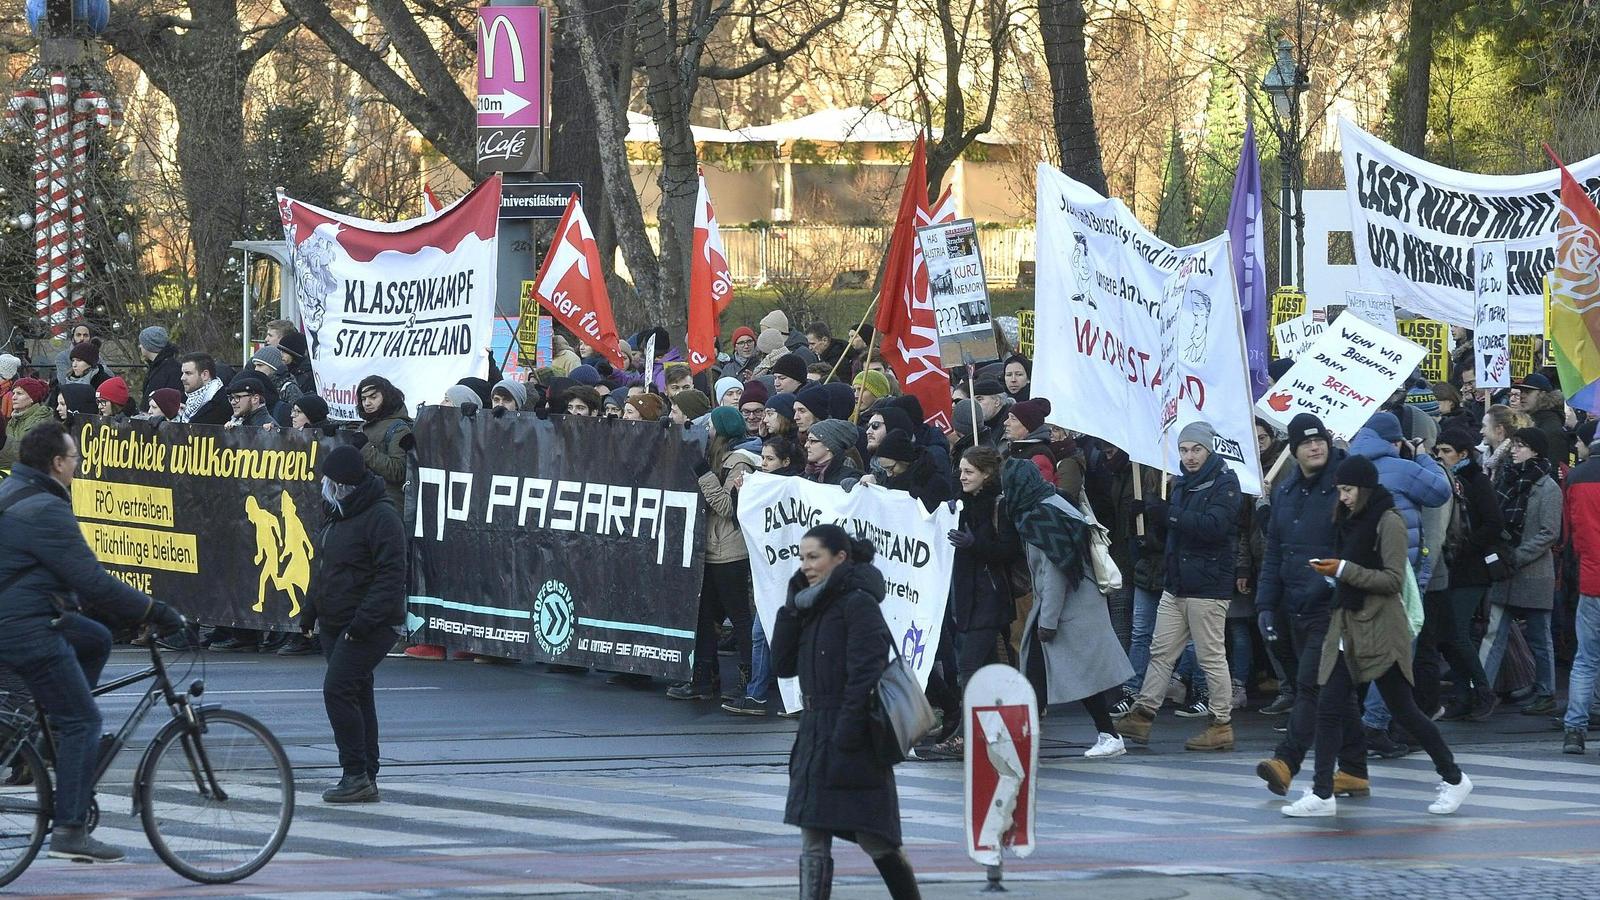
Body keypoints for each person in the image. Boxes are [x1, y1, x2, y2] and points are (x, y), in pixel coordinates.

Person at [0, 424, 186, 861]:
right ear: (57, 463)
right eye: (76, 459)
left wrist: (115, 618)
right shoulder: (45, 508)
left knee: (95, 639)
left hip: (18, 614)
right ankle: (69, 830)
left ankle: (51, 736)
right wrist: (155, 612)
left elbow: (69, 580)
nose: (79, 466)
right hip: (23, 626)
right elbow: (92, 581)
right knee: (83, 720)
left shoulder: (14, 491)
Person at [1281, 454, 1473, 817]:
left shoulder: (1389, 521)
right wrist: (1333, 573)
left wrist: (1344, 569)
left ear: (1366, 488)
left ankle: (1454, 778)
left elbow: (1392, 580)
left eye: (1349, 489)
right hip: (1347, 625)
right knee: (1329, 707)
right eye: (1340, 490)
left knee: (1406, 710)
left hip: (1381, 630)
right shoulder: (1350, 521)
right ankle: (1322, 793)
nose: (1344, 497)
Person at [770, 525, 920, 900]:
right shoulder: (810, 602)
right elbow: (783, 665)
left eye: (814, 557)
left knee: (876, 838)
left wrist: (846, 737)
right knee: (813, 834)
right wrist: (791, 607)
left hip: (851, 736)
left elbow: (864, 677)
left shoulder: (858, 603)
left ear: (840, 558)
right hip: (815, 731)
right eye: (802, 558)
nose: (806, 565)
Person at [1251, 413, 1372, 798]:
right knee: (1336, 691)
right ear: (1295, 450)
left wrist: (1335, 581)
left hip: (1337, 607)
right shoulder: (1285, 491)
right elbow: (1275, 553)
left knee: (1310, 686)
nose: (1314, 447)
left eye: (1318, 440)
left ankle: (1286, 761)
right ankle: (1354, 770)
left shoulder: (1345, 487)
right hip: (1295, 605)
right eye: (1305, 443)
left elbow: (1361, 543)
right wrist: (1265, 603)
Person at [1119, 420, 1242, 752]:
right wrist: (1146, 522)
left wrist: (1166, 514)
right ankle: (1143, 714)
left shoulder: (1226, 484)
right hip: (1177, 583)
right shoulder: (1185, 484)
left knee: (1210, 657)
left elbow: (1213, 527)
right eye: (1184, 450)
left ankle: (1221, 723)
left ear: (1210, 449)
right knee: (1161, 652)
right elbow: (1176, 533)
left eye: (1196, 449)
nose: (1189, 456)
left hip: (1207, 585)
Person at [1005, 458, 1133, 759]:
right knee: (1046, 673)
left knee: (1079, 676)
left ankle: (1109, 735)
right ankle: (1030, 737)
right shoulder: (1050, 503)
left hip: (1068, 608)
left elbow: (1055, 572)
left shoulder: (1040, 516)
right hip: (1073, 603)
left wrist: (1047, 621)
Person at [303, 444, 407, 803]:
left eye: (330, 481)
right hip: (335, 621)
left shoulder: (381, 517)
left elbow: (391, 577)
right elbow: (324, 568)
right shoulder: (337, 513)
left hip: (366, 625)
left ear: (344, 482)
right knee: (357, 692)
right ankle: (365, 775)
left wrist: (363, 623)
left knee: (338, 690)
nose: (325, 487)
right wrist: (310, 611)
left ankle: (355, 774)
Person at [671, 407, 760, 700]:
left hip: (730, 552)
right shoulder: (715, 458)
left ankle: (749, 682)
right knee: (704, 617)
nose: (706, 431)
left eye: (710, 427)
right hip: (707, 549)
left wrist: (704, 475)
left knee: (739, 617)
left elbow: (726, 506)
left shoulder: (741, 463)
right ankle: (704, 678)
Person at [1480, 427, 1563, 715]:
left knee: (1540, 637)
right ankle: (1482, 691)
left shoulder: (1548, 486)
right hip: (1505, 569)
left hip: (1532, 571)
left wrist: (1516, 556)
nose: (1514, 450)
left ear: (1536, 450)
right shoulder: (1507, 479)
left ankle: (1546, 693)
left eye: (1520, 446)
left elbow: (1549, 533)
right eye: (1514, 445)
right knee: (1494, 634)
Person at [1425, 425, 1504, 721]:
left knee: (1457, 632)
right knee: (1447, 635)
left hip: (1471, 569)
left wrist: (1464, 546)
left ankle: (1483, 691)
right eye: (1439, 451)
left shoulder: (1475, 480)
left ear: (1463, 454)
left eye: (1447, 452)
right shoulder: (1442, 479)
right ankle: (1463, 694)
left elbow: (1493, 523)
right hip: (1449, 568)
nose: (1441, 456)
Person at [945, 447, 1020, 687]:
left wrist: (974, 544)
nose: (962, 477)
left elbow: (1008, 550)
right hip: (968, 597)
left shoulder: (1000, 506)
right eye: (961, 471)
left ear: (986, 474)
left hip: (991, 596)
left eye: (969, 472)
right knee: (990, 668)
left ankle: (969, 724)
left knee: (969, 666)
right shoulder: (959, 505)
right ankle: (1003, 718)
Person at [1560, 428, 1600, 753]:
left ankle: (1574, 730)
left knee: (1586, 659)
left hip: (1590, 580)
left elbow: (1567, 532)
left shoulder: (1576, 476)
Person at [355, 376, 413, 513]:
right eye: (363, 399)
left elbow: (398, 471)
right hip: (365, 503)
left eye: (373, 397)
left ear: (387, 397)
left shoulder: (400, 428)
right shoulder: (364, 426)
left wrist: (365, 448)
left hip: (388, 507)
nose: (367, 403)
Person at [864, 429, 951, 512]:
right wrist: (873, 487)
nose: (888, 474)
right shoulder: (886, 480)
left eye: (891, 468)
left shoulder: (934, 483)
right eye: (884, 469)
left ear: (904, 460)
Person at [2, 378, 52, 472]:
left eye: (19, 393)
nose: (13, 397)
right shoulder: (13, 420)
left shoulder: (42, 422)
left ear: (32, 398)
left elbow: (28, 454)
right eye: (14, 393)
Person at [1004, 398, 1057, 486]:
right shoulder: (1011, 451)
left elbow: (1036, 493)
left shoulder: (1039, 455)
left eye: (1013, 419)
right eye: (1008, 417)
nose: (1006, 422)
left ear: (1028, 425)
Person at [802, 419, 860, 488]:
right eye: (807, 440)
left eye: (812, 441)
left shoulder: (850, 477)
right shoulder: (807, 474)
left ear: (828, 445)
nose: (806, 445)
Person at [176, 353, 230, 425]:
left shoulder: (223, 402)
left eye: (188, 373)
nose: (182, 378)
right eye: (183, 373)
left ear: (205, 375)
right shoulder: (188, 400)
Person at [138, 326, 182, 403]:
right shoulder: (158, 367)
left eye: (142, 343)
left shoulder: (169, 370)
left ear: (149, 345)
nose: (140, 346)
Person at [971, 377, 1012, 451]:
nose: (974, 405)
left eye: (979, 399)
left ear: (997, 401)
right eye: (972, 401)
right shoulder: (976, 425)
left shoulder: (1012, 425)